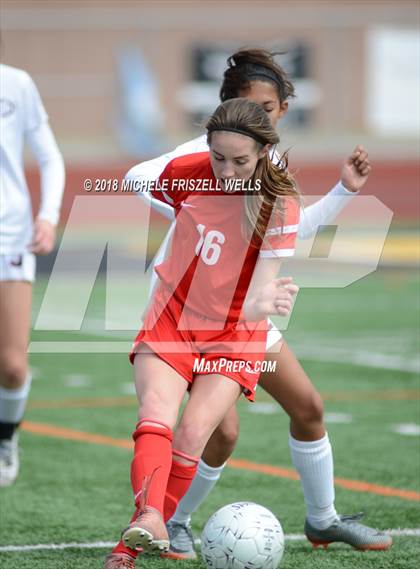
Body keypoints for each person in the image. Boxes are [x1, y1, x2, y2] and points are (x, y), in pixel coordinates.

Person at [108, 48, 391, 563]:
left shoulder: (271, 168)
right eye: (247, 105)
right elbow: (137, 181)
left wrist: (343, 192)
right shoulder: (210, 154)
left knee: (307, 407)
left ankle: (321, 517)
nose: (258, 115)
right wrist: (191, 209)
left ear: (280, 113)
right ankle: (168, 521)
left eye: (268, 107)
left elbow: (283, 235)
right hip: (187, 308)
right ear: (227, 109)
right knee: (218, 433)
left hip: (246, 311)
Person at [105, 97, 301, 568]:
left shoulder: (281, 203)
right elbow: (143, 186)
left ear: (263, 152)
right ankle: (150, 518)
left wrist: (268, 302)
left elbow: (256, 296)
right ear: (206, 147)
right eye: (218, 158)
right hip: (174, 315)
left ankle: (125, 549)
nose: (226, 171)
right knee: (156, 412)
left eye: (240, 160)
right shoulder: (188, 172)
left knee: (193, 433)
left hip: (235, 331)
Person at [0, 63, 65, 486]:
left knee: (11, 365)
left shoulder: (16, 83)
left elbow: (49, 156)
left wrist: (47, 215)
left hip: (10, 237)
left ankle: (5, 440)